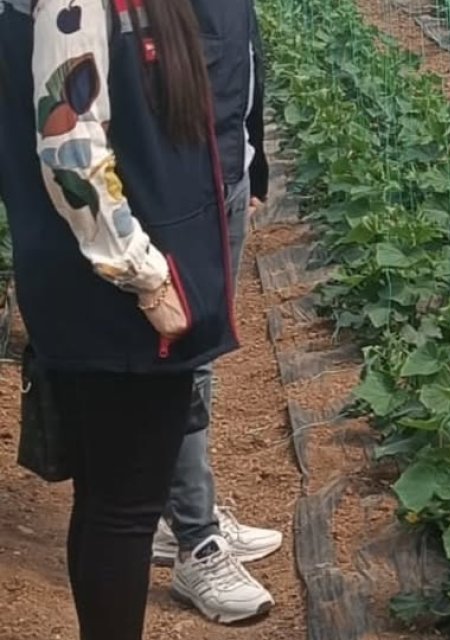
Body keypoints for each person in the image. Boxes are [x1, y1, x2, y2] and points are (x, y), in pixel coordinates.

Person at [0, 0, 240, 637]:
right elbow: (68, 147)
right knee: (123, 512)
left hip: (112, 290)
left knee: (109, 502)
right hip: (118, 298)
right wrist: (148, 274)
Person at [148, 0, 281, 624]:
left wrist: (251, 171)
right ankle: (196, 540)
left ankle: (179, 515)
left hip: (224, 173)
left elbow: (243, 61)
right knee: (185, 359)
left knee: (201, 356)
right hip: (183, 190)